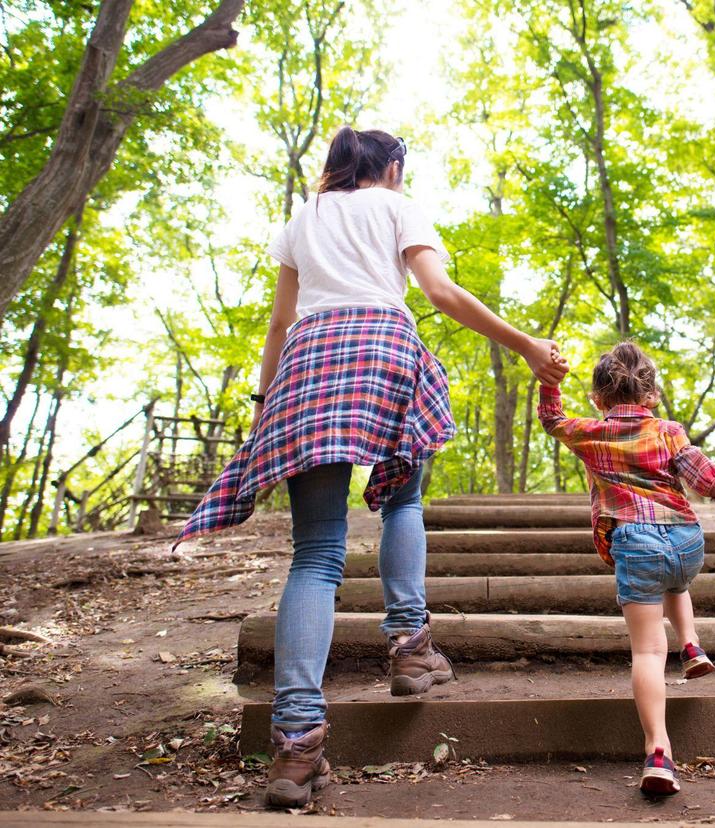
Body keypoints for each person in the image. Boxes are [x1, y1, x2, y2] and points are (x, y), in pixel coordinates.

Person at [173, 126, 568, 808]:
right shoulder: (396, 206)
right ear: (390, 167)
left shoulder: (306, 216)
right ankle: (412, 649)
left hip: (307, 364)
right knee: (403, 504)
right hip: (383, 348)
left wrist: (268, 405)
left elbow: (278, 325)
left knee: (316, 554)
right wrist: (526, 344)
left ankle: (295, 747)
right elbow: (439, 293)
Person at [537, 341, 715, 797]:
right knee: (677, 579)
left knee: (648, 652)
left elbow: (552, 421)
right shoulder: (669, 430)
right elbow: (702, 474)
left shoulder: (591, 431)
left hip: (636, 542)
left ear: (598, 399)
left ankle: (658, 752)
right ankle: (690, 644)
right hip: (688, 539)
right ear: (651, 396)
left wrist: (550, 382)